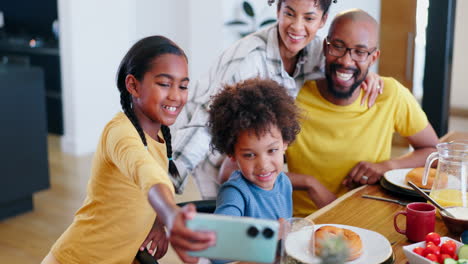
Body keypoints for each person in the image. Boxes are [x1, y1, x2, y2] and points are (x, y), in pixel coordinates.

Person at [172, 0, 383, 200]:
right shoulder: (249, 59)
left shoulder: (316, 51)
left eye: (309, 18)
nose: (297, 27)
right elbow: (201, 126)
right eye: (289, 14)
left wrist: (366, 74)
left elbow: (344, 64)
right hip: (219, 162)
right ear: (277, 11)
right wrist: (165, 186)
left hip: (258, 163)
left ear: (322, 20)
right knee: (225, 227)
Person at [41, 36, 215, 264]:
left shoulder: (161, 134)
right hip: (76, 258)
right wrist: (170, 215)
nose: (176, 95)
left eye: (183, 86)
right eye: (164, 84)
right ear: (133, 85)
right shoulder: (120, 132)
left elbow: (143, 192)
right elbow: (145, 172)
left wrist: (156, 222)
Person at [285, 9, 439, 217]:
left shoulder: (390, 94)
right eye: (338, 47)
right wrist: (309, 183)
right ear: (325, 47)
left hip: (369, 218)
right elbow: (250, 166)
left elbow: (434, 152)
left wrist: (387, 166)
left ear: (373, 57)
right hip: (304, 221)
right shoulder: (293, 97)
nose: (346, 61)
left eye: (360, 52)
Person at [208, 78, 300, 220]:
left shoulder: (284, 183)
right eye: (250, 155)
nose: (263, 165)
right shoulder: (235, 193)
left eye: (272, 150)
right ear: (232, 154)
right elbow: (221, 233)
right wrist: (270, 234)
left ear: (285, 143)